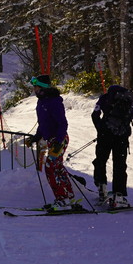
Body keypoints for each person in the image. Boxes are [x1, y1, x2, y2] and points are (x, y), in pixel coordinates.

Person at [28, 74, 82, 211]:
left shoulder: (54, 101)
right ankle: (69, 197)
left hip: (59, 139)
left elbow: (62, 123)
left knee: (50, 168)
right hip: (52, 140)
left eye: (36, 87)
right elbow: (43, 123)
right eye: (34, 87)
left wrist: (58, 142)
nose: (34, 90)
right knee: (57, 167)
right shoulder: (41, 102)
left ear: (43, 88)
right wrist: (36, 137)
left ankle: (62, 199)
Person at [91, 84, 133, 208]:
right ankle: (118, 196)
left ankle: (102, 187)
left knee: (100, 161)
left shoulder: (105, 98)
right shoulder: (129, 99)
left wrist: (100, 128)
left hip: (105, 135)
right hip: (122, 137)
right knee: (119, 165)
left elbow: (95, 114)